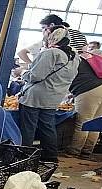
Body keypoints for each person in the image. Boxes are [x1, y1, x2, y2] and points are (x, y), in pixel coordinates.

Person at [18, 26, 79, 162]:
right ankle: (50, 156)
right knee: (47, 127)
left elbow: (36, 76)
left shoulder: (50, 53)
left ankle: (24, 156)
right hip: (54, 96)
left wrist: (22, 73)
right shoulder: (74, 56)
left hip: (35, 97)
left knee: (28, 127)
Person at [66, 52, 102, 158]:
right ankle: (87, 151)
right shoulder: (86, 58)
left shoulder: (69, 61)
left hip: (92, 88)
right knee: (95, 120)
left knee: (83, 121)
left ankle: (74, 151)